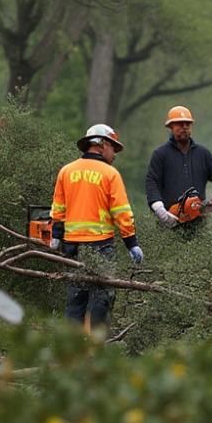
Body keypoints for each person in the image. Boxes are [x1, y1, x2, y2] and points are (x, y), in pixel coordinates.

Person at [50, 123, 144, 333]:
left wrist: (56, 236)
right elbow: (122, 213)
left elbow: (58, 209)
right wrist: (132, 244)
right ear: (102, 144)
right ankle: (97, 349)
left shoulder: (66, 171)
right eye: (113, 147)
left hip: (72, 246)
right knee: (101, 299)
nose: (115, 154)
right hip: (101, 246)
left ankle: (71, 350)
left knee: (75, 300)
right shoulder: (110, 174)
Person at [145, 105, 212, 228]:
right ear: (171, 126)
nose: (184, 127)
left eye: (187, 124)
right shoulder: (160, 154)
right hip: (169, 221)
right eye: (180, 124)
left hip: (198, 221)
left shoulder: (203, 153)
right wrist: (159, 209)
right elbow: (152, 182)